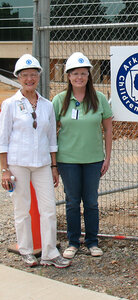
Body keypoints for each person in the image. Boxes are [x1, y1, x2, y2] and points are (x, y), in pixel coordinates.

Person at [0, 54, 70, 268]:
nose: (29, 79)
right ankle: (26, 251)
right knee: (22, 209)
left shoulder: (47, 105)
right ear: (18, 78)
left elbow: (51, 139)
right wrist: (4, 170)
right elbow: (3, 139)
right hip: (18, 164)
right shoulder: (10, 104)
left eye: (33, 75)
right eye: (25, 75)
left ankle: (50, 252)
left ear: (39, 77)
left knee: (48, 209)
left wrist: (54, 166)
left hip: (42, 165)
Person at [52, 52, 113, 259]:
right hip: (68, 160)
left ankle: (92, 242)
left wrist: (107, 158)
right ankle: (73, 242)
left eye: (84, 73)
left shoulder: (99, 99)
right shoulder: (60, 100)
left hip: (93, 160)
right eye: (75, 73)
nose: (80, 77)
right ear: (68, 76)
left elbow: (108, 129)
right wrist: (53, 163)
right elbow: (51, 132)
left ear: (89, 76)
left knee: (91, 202)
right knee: (71, 202)